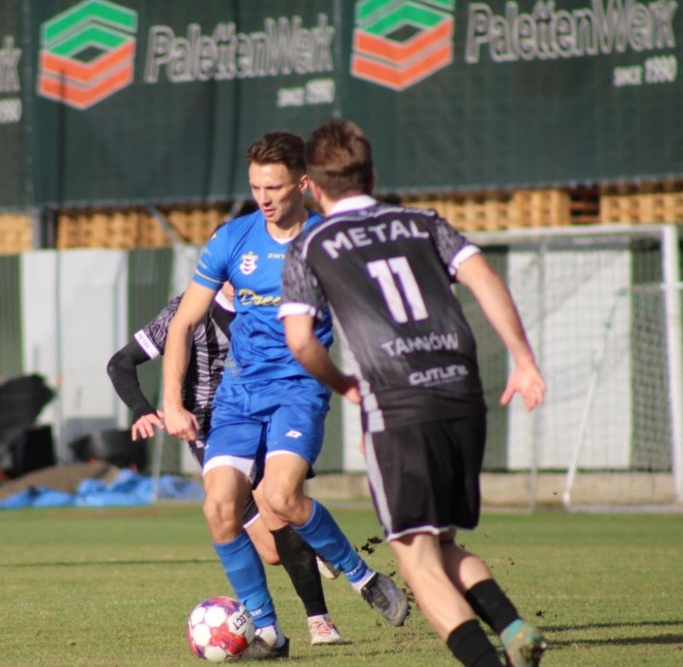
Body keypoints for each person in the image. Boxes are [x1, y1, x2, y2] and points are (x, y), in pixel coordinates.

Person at [280, 119, 547, 667]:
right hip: (462, 394)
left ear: (314, 187)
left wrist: (346, 386)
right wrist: (523, 360)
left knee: (416, 560)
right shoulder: (424, 222)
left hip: (399, 404)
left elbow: (301, 342)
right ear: (373, 175)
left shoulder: (310, 244)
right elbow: (483, 278)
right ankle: (512, 626)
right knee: (441, 543)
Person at [163, 131, 410, 660]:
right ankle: (269, 634)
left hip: (298, 389)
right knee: (219, 508)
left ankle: (362, 578)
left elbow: (366, 324)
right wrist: (171, 402)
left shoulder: (328, 242)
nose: (263, 198)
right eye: (255, 187)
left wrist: (374, 400)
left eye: (273, 187)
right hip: (238, 394)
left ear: (303, 184)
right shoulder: (232, 239)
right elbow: (183, 323)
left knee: (280, 498)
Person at [105, 281, 344, 647]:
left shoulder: (267, 306)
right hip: (211, 429)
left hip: (264, 416)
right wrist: (141, 409)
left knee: (277, 507)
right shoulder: (186, 311)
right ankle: (315, 547)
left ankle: (319, 621)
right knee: (272, 551)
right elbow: (120, 363)